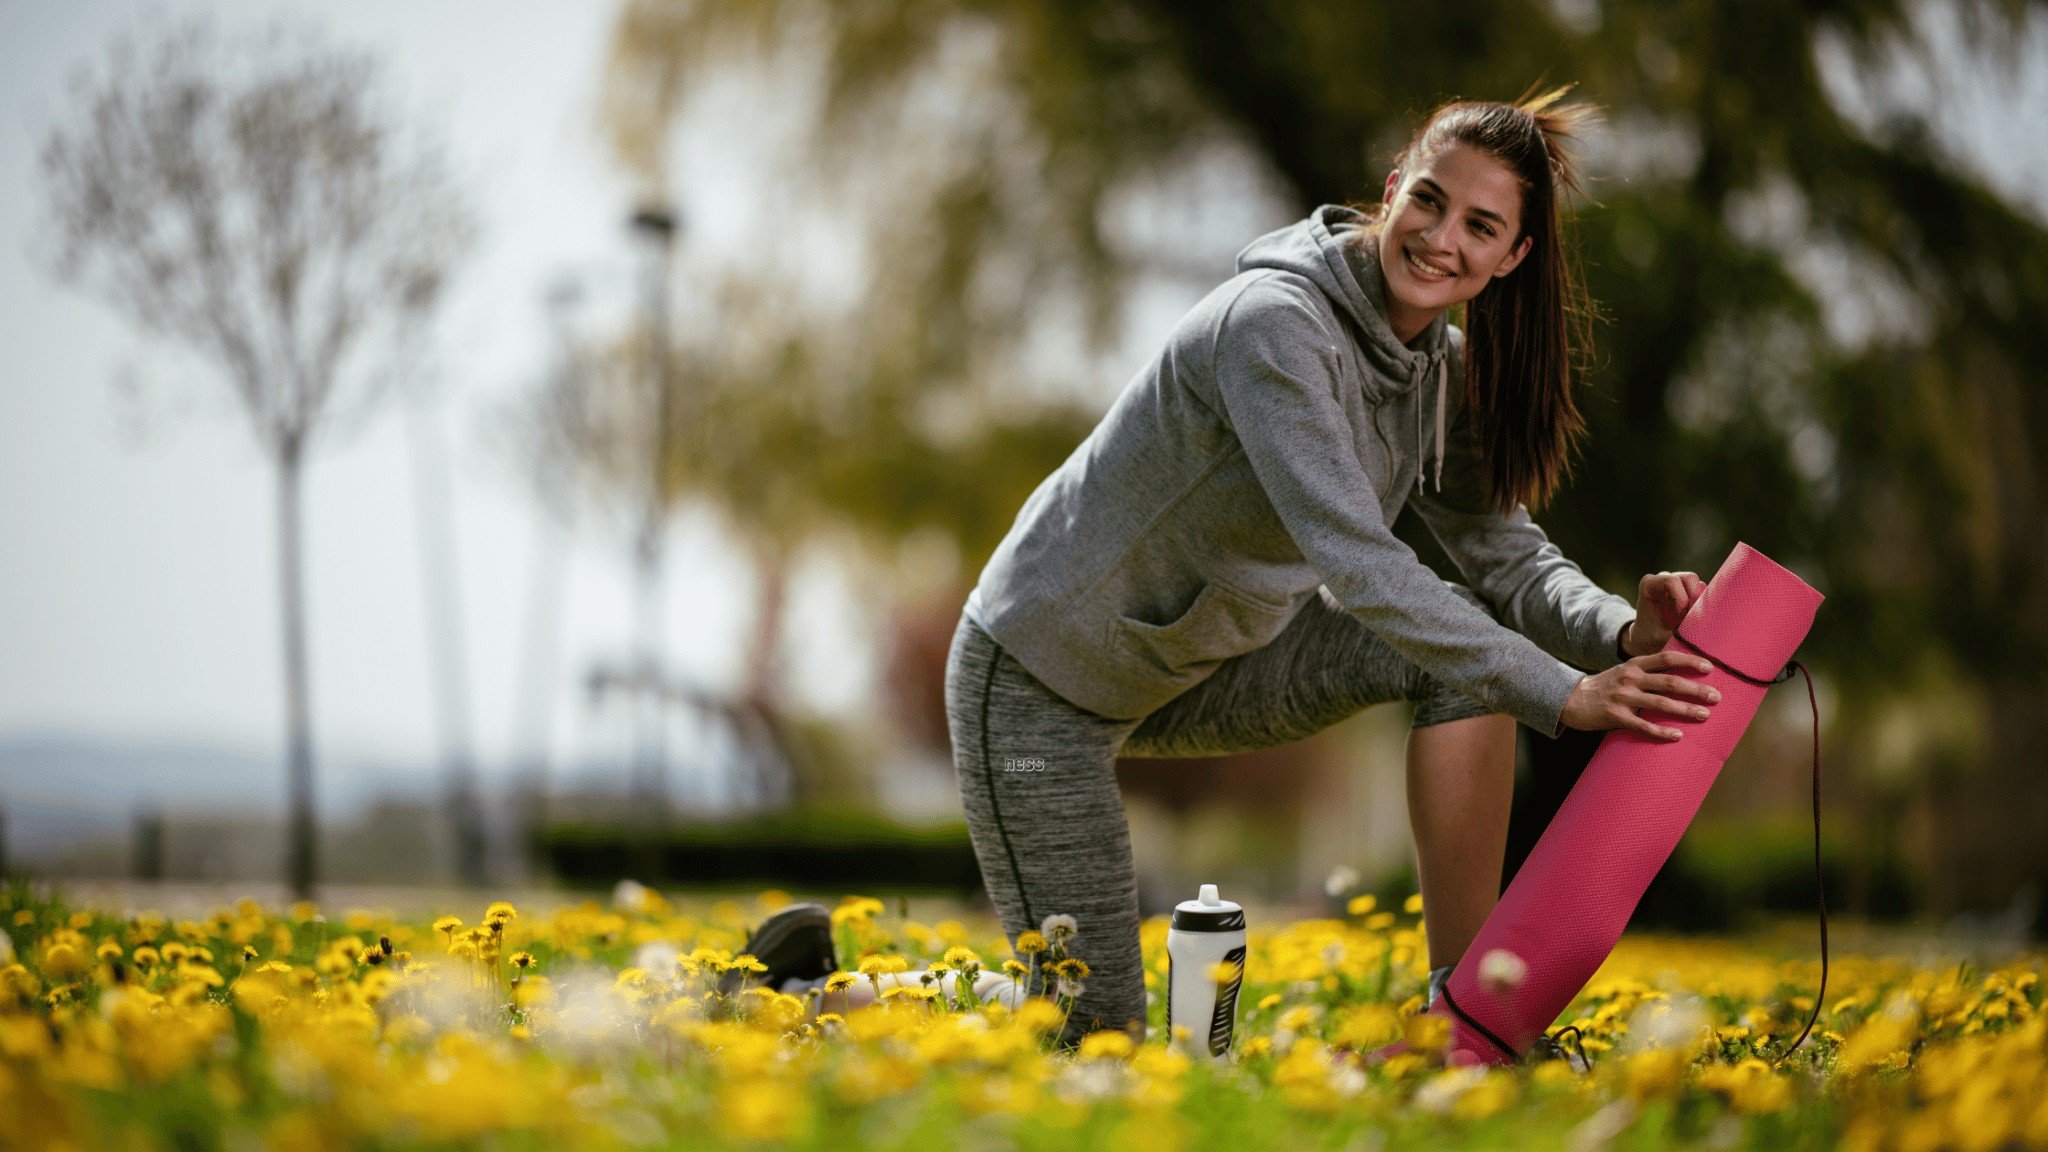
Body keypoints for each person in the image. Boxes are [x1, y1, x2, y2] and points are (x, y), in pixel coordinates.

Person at [943, 86, 1723, 1048]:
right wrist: (1564, 695)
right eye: (1430, 200)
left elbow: (1505, 554)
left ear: (1513, 258)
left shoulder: (1440, 370)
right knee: (1093, 1035)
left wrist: (1617, 633)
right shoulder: (1275, 328)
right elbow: (1360, 562)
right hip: (1036, 690)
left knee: (1457, 643)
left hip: (1202, 666)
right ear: (1394, 188)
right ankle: (828, 990)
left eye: (1481, 226)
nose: (1442, 238)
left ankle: (1468, 1008)